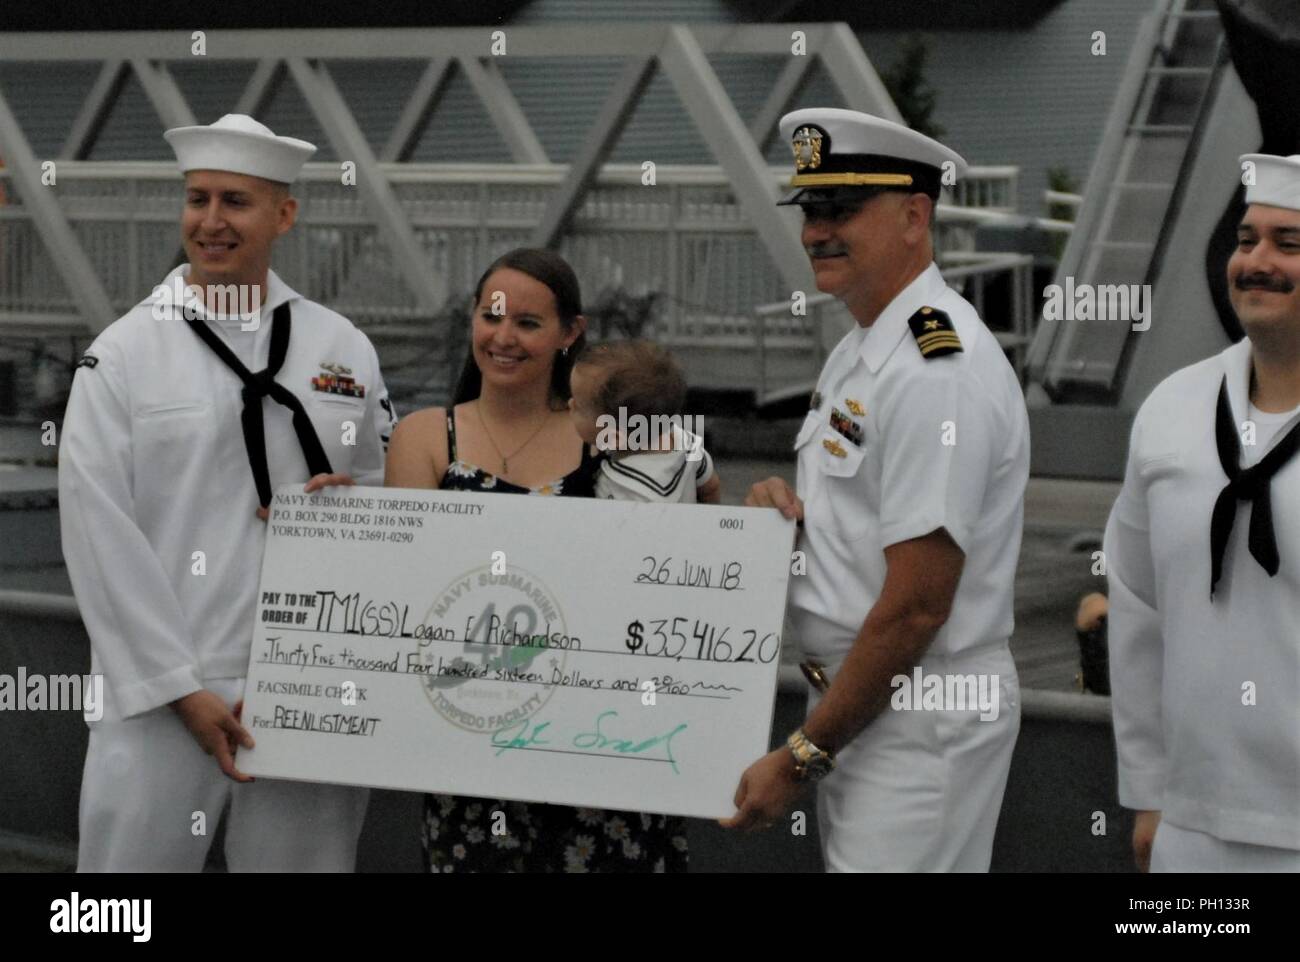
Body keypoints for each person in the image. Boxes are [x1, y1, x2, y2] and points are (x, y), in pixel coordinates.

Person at [59, 114, 396, 872]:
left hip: (306, 685)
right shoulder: (123, 354)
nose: (210, 222)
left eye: (235, 202)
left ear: (284, 214)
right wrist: (180, 689)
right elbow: (95, 529)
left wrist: (359, 506)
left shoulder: (342, 347)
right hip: (159, 691)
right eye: (197, 199)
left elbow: (390, 502)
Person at [723, 108, 1028, 872]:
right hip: (869, 709)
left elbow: (918, 604)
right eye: (811, 210)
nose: (817, 231)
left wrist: (800, 756)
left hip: (918, 715)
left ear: (914, 216)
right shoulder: (866, 347)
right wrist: (787, 520)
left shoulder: (935, 367)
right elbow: (866, 532)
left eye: (842, 210)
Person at [385, 247, 689, 872]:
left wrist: (766, 510)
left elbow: (684, 543)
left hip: (605, 748)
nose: (503, 337)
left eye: (528, 323)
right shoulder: (422, 435)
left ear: (570, 333)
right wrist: (335, 521)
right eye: (490, 316)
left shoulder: (613, 435)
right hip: (471, 750)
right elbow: (404, 588)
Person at [1106, 152, 1300, 873]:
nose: (1258, 262)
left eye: (1289, 243)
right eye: (1248, 240)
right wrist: (1150, 793)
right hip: (1191, 825)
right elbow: (1135, 609)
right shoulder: (1172, 409)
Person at [567, 339, 721, 504]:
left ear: (615, 437)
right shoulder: (688, 444)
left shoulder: (628, 489)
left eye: (579, 406)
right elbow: (711, 487)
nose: (569, 403)